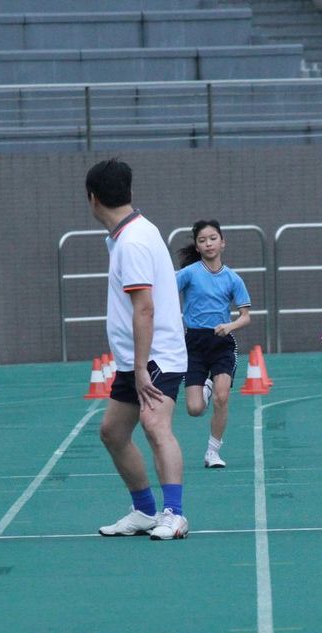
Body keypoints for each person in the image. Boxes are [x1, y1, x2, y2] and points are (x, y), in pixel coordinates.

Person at [86, 158, 190, 541]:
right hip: (136, 359)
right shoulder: (129, 235)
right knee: (113, 432)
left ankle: (174, 514)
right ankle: (145, 511)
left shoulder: (132, 242)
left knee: (155, 425)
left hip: (156, 357)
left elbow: (144, 308)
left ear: (93, 199)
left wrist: (143, 367)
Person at [175, 219, 252, 469]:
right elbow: (163, 292)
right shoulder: (189, 274)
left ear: (222, 243)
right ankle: (205, 389)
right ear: (197, 246)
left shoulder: (233, 279)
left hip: (222, 343)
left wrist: (230, 326)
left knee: (222, 397)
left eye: (212, 238)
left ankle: (213, 452)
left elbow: (245, 316)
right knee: (195, 408)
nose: (208, 243)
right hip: (194, 344)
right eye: (202, 240)